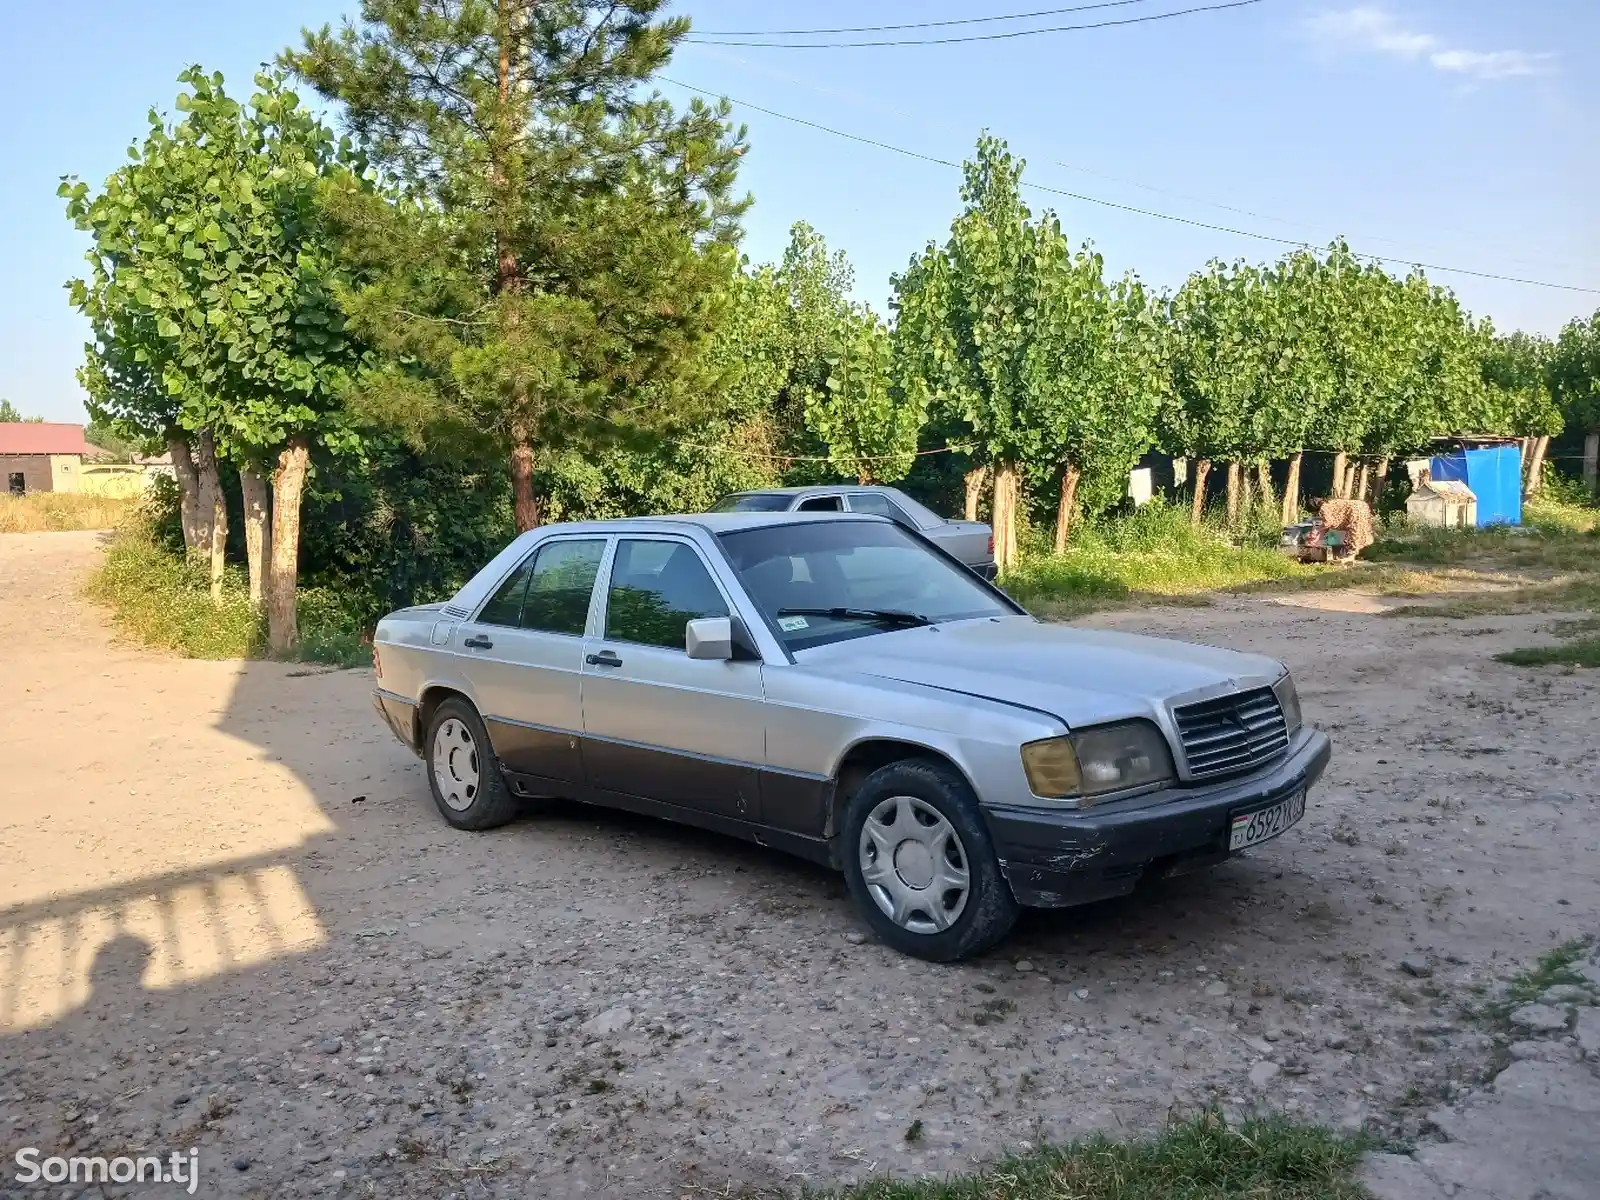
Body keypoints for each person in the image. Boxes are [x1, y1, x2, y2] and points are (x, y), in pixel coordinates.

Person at [1309, 496, 1374, 563]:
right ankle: (1360, 553)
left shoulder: (1324, 507)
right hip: (1363, 506)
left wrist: (1317, 530)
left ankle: (1350, 557)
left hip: (1355, 510)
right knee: (1361, 531)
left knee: (1355, 534)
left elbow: (1328, 522)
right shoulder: (1331, 503)